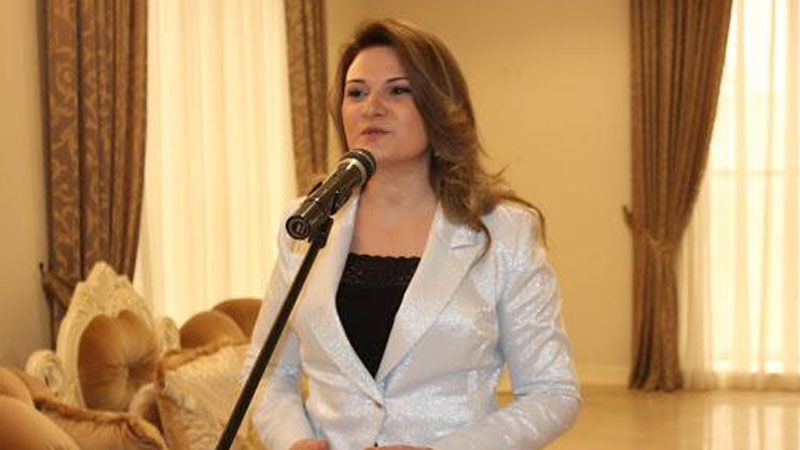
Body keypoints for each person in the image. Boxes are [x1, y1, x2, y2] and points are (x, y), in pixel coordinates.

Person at [243, 18, 580, 450]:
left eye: (398, 90)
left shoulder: (505, 232)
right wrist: (295, 441)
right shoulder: (307, 224)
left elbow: (552, 392)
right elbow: (269, 372)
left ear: (440, 108)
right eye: (356, 92)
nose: (372, 106)